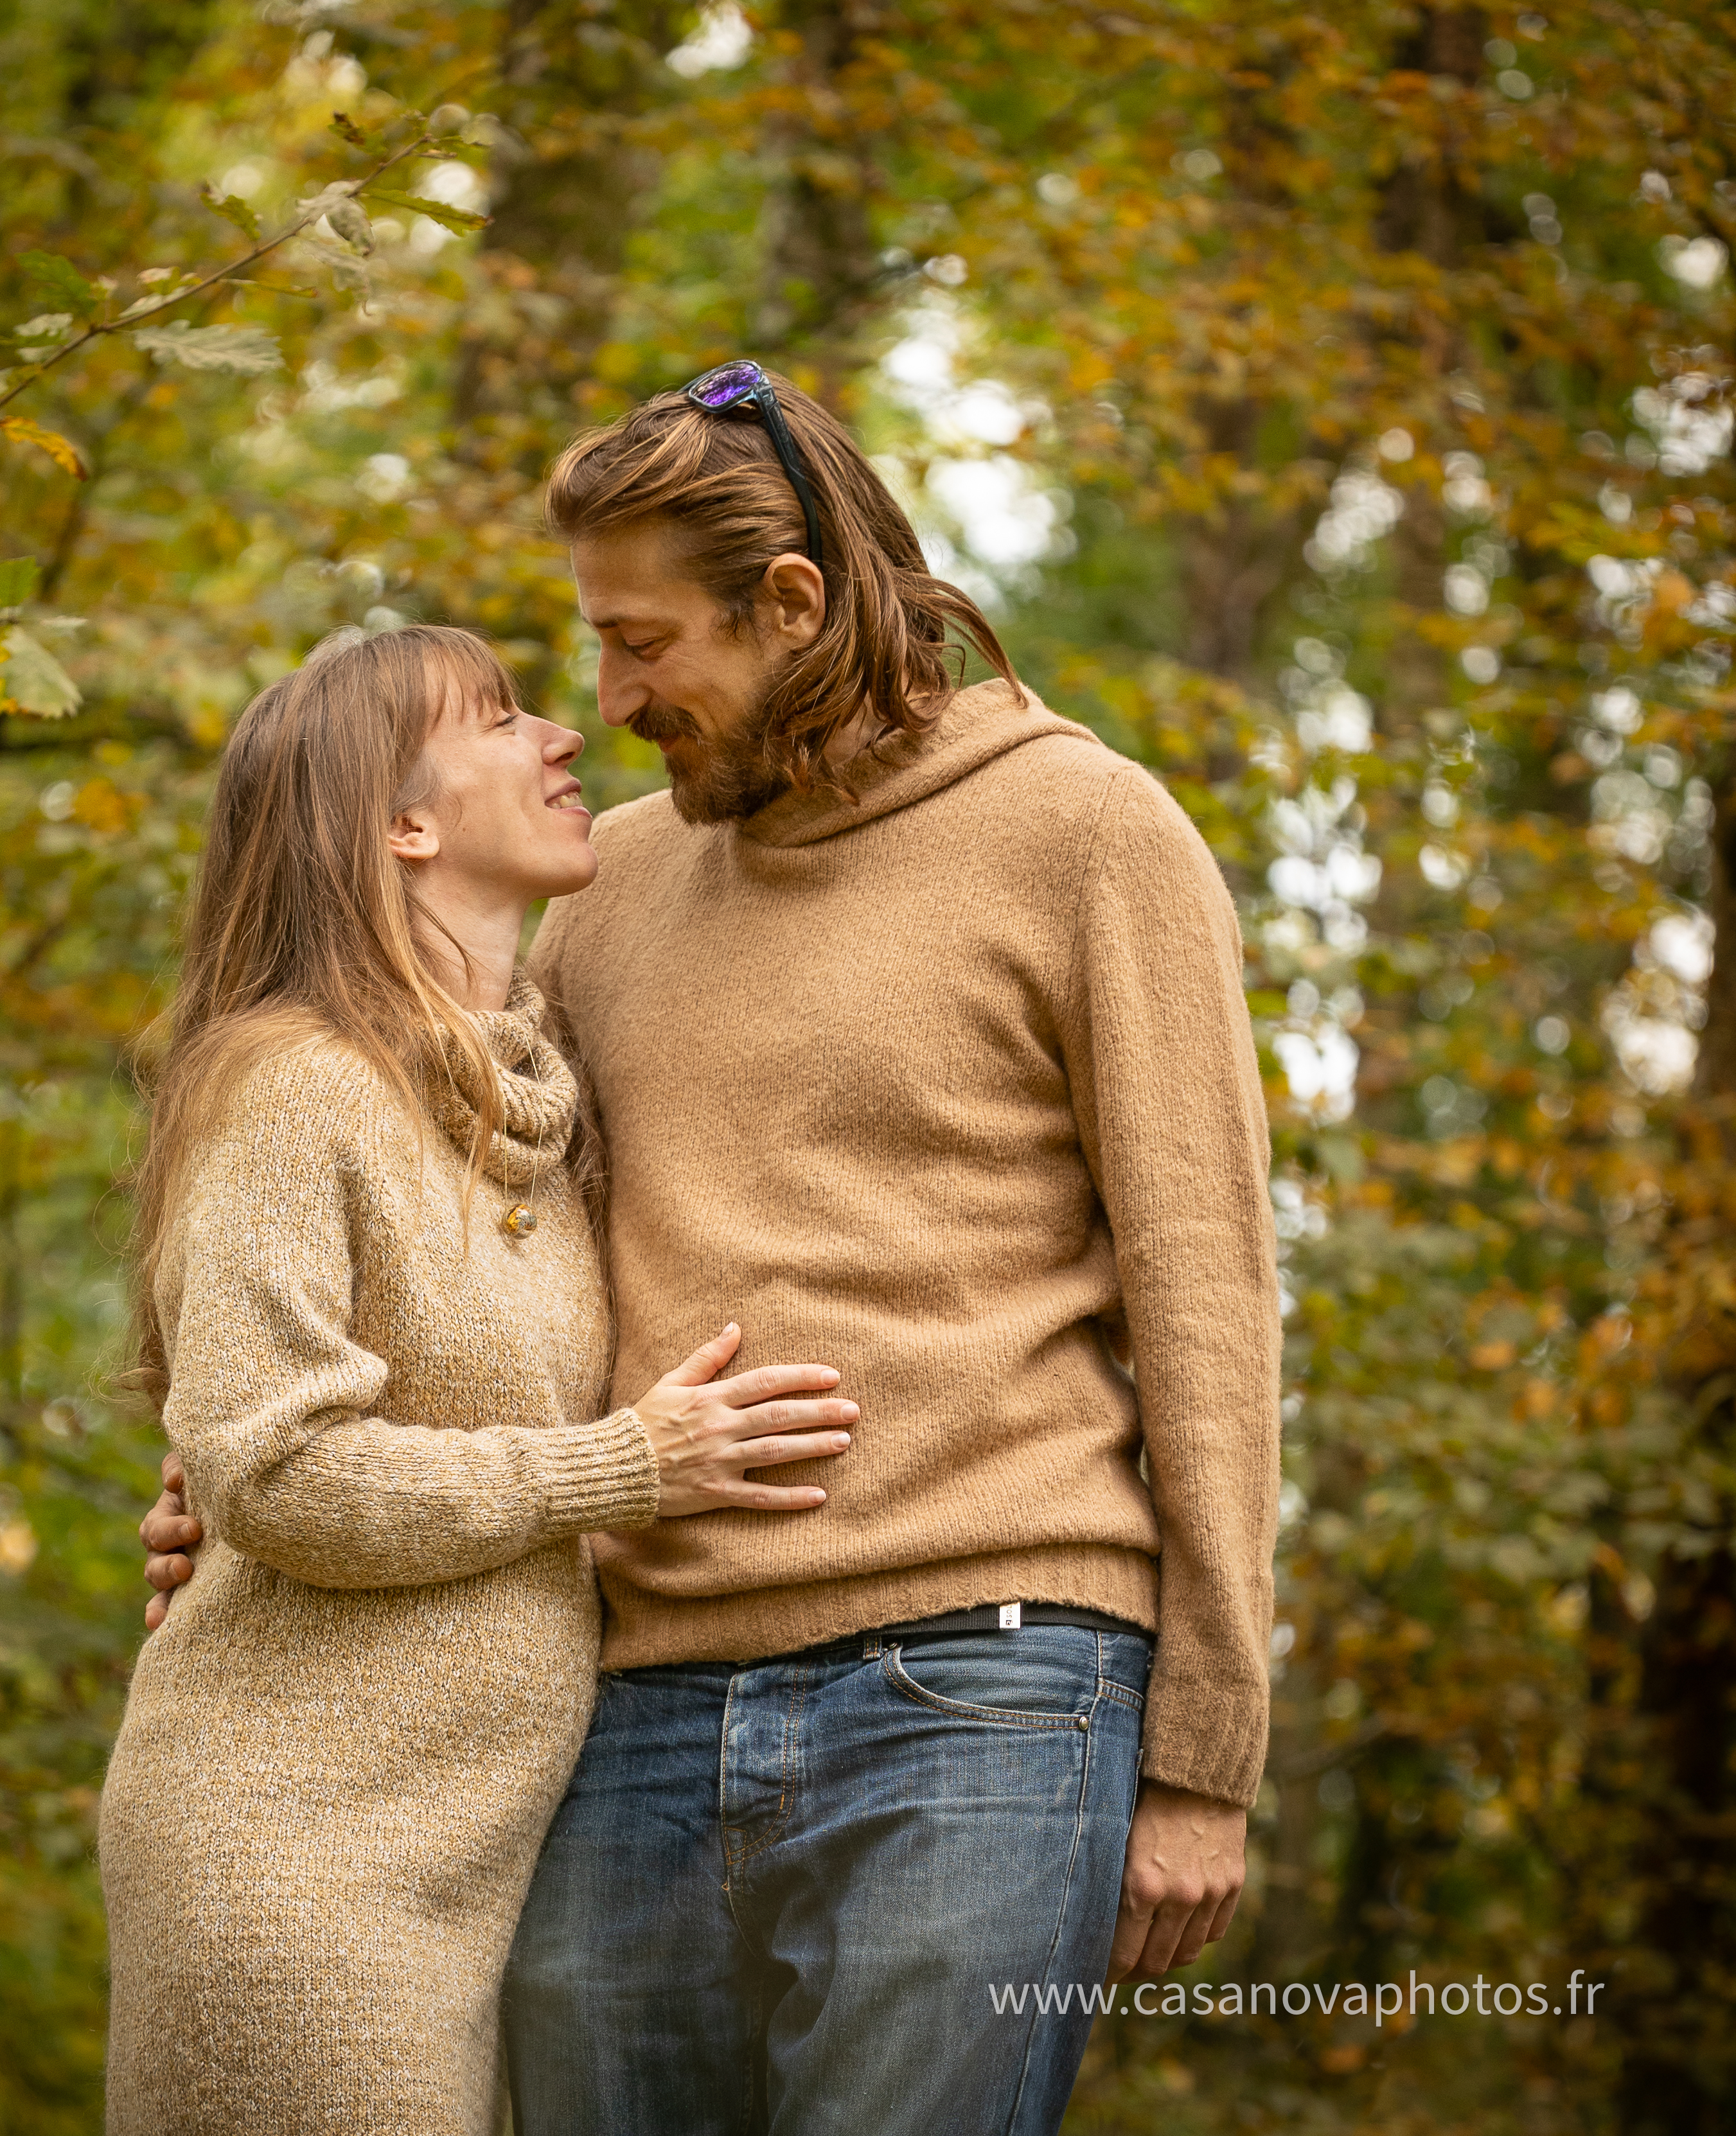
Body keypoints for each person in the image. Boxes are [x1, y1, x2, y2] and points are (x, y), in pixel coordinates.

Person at [141, 366, 1279, 2135]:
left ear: (795, 605)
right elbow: (430, 1220)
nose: (605, 703)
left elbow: (1206, 1299)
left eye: (639, 641)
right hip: (620, 1709)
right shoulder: (607, 882)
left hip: (980, 1679)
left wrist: (1205, 1747)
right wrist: (234, 1494)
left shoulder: (1085, 832)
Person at [100, 622, 856, 2136]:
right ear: (404, 821)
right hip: (296, 1853)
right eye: (504, 719)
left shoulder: (523, 1102)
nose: (563, 735)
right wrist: (624, 1466)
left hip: (501, 1862)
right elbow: (282, 1469)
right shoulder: (292, 1080)